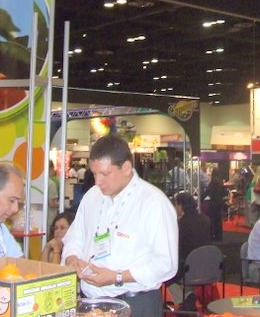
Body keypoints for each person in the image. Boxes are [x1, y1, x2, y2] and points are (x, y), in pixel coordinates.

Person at [62, 134, 178, 316]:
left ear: (126, 167)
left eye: (105, 174)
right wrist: (73, 260)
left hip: (135, 304)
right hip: (92, 303)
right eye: (94, 174)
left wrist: (116, 277)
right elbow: (74, 238)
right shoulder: (92, 196)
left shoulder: (153, 202)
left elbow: (165, 264)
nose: (98, 181)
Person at [202, 168, 226, 241]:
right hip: (219, 202)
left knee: (211, 219)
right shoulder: (220, 181)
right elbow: (223, 192)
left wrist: (201, 198)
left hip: (213, 202)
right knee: (218, 219)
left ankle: (212, 234)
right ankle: (218, 235)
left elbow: (208, 191)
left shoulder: (213, 181)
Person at [47, 160, 60, 231]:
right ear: (51, 168)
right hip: (49, 218)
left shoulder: (37, 183)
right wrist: (61, 204)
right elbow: (51, 203)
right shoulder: (51, 184)